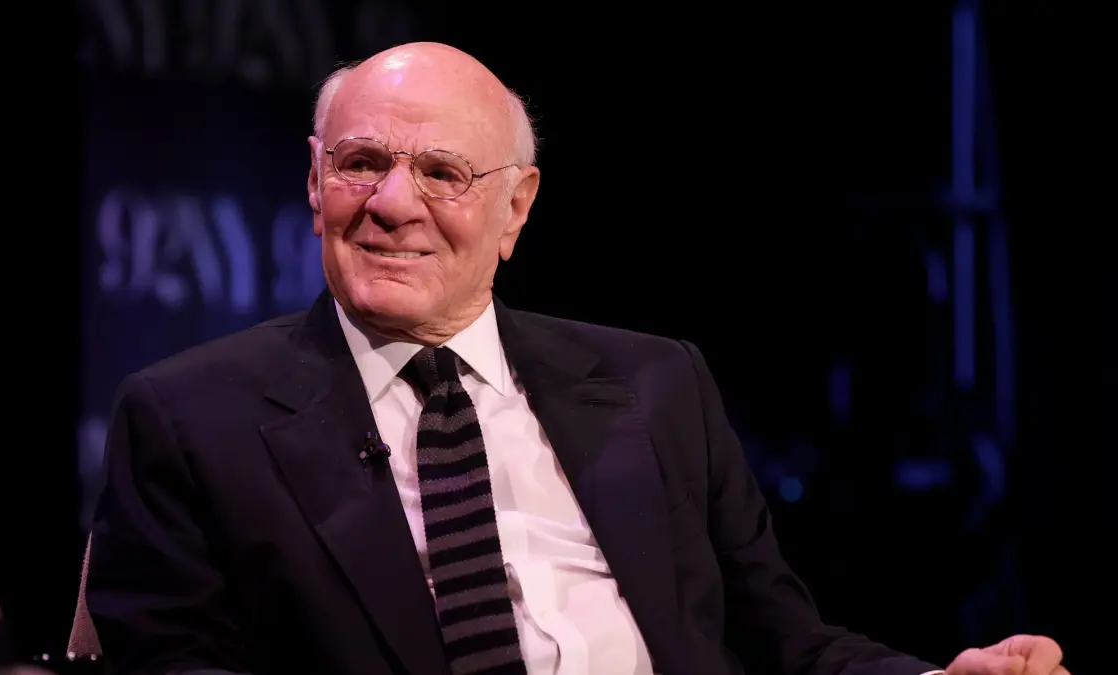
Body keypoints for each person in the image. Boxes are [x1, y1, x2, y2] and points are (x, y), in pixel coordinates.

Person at [84, 42, 1067, 675]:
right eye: (361, 163)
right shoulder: (191, 419)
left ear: (516, 209)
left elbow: (785, 643)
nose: (391, 203)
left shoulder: (658, 386)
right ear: (313, 181)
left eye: (442, 173)